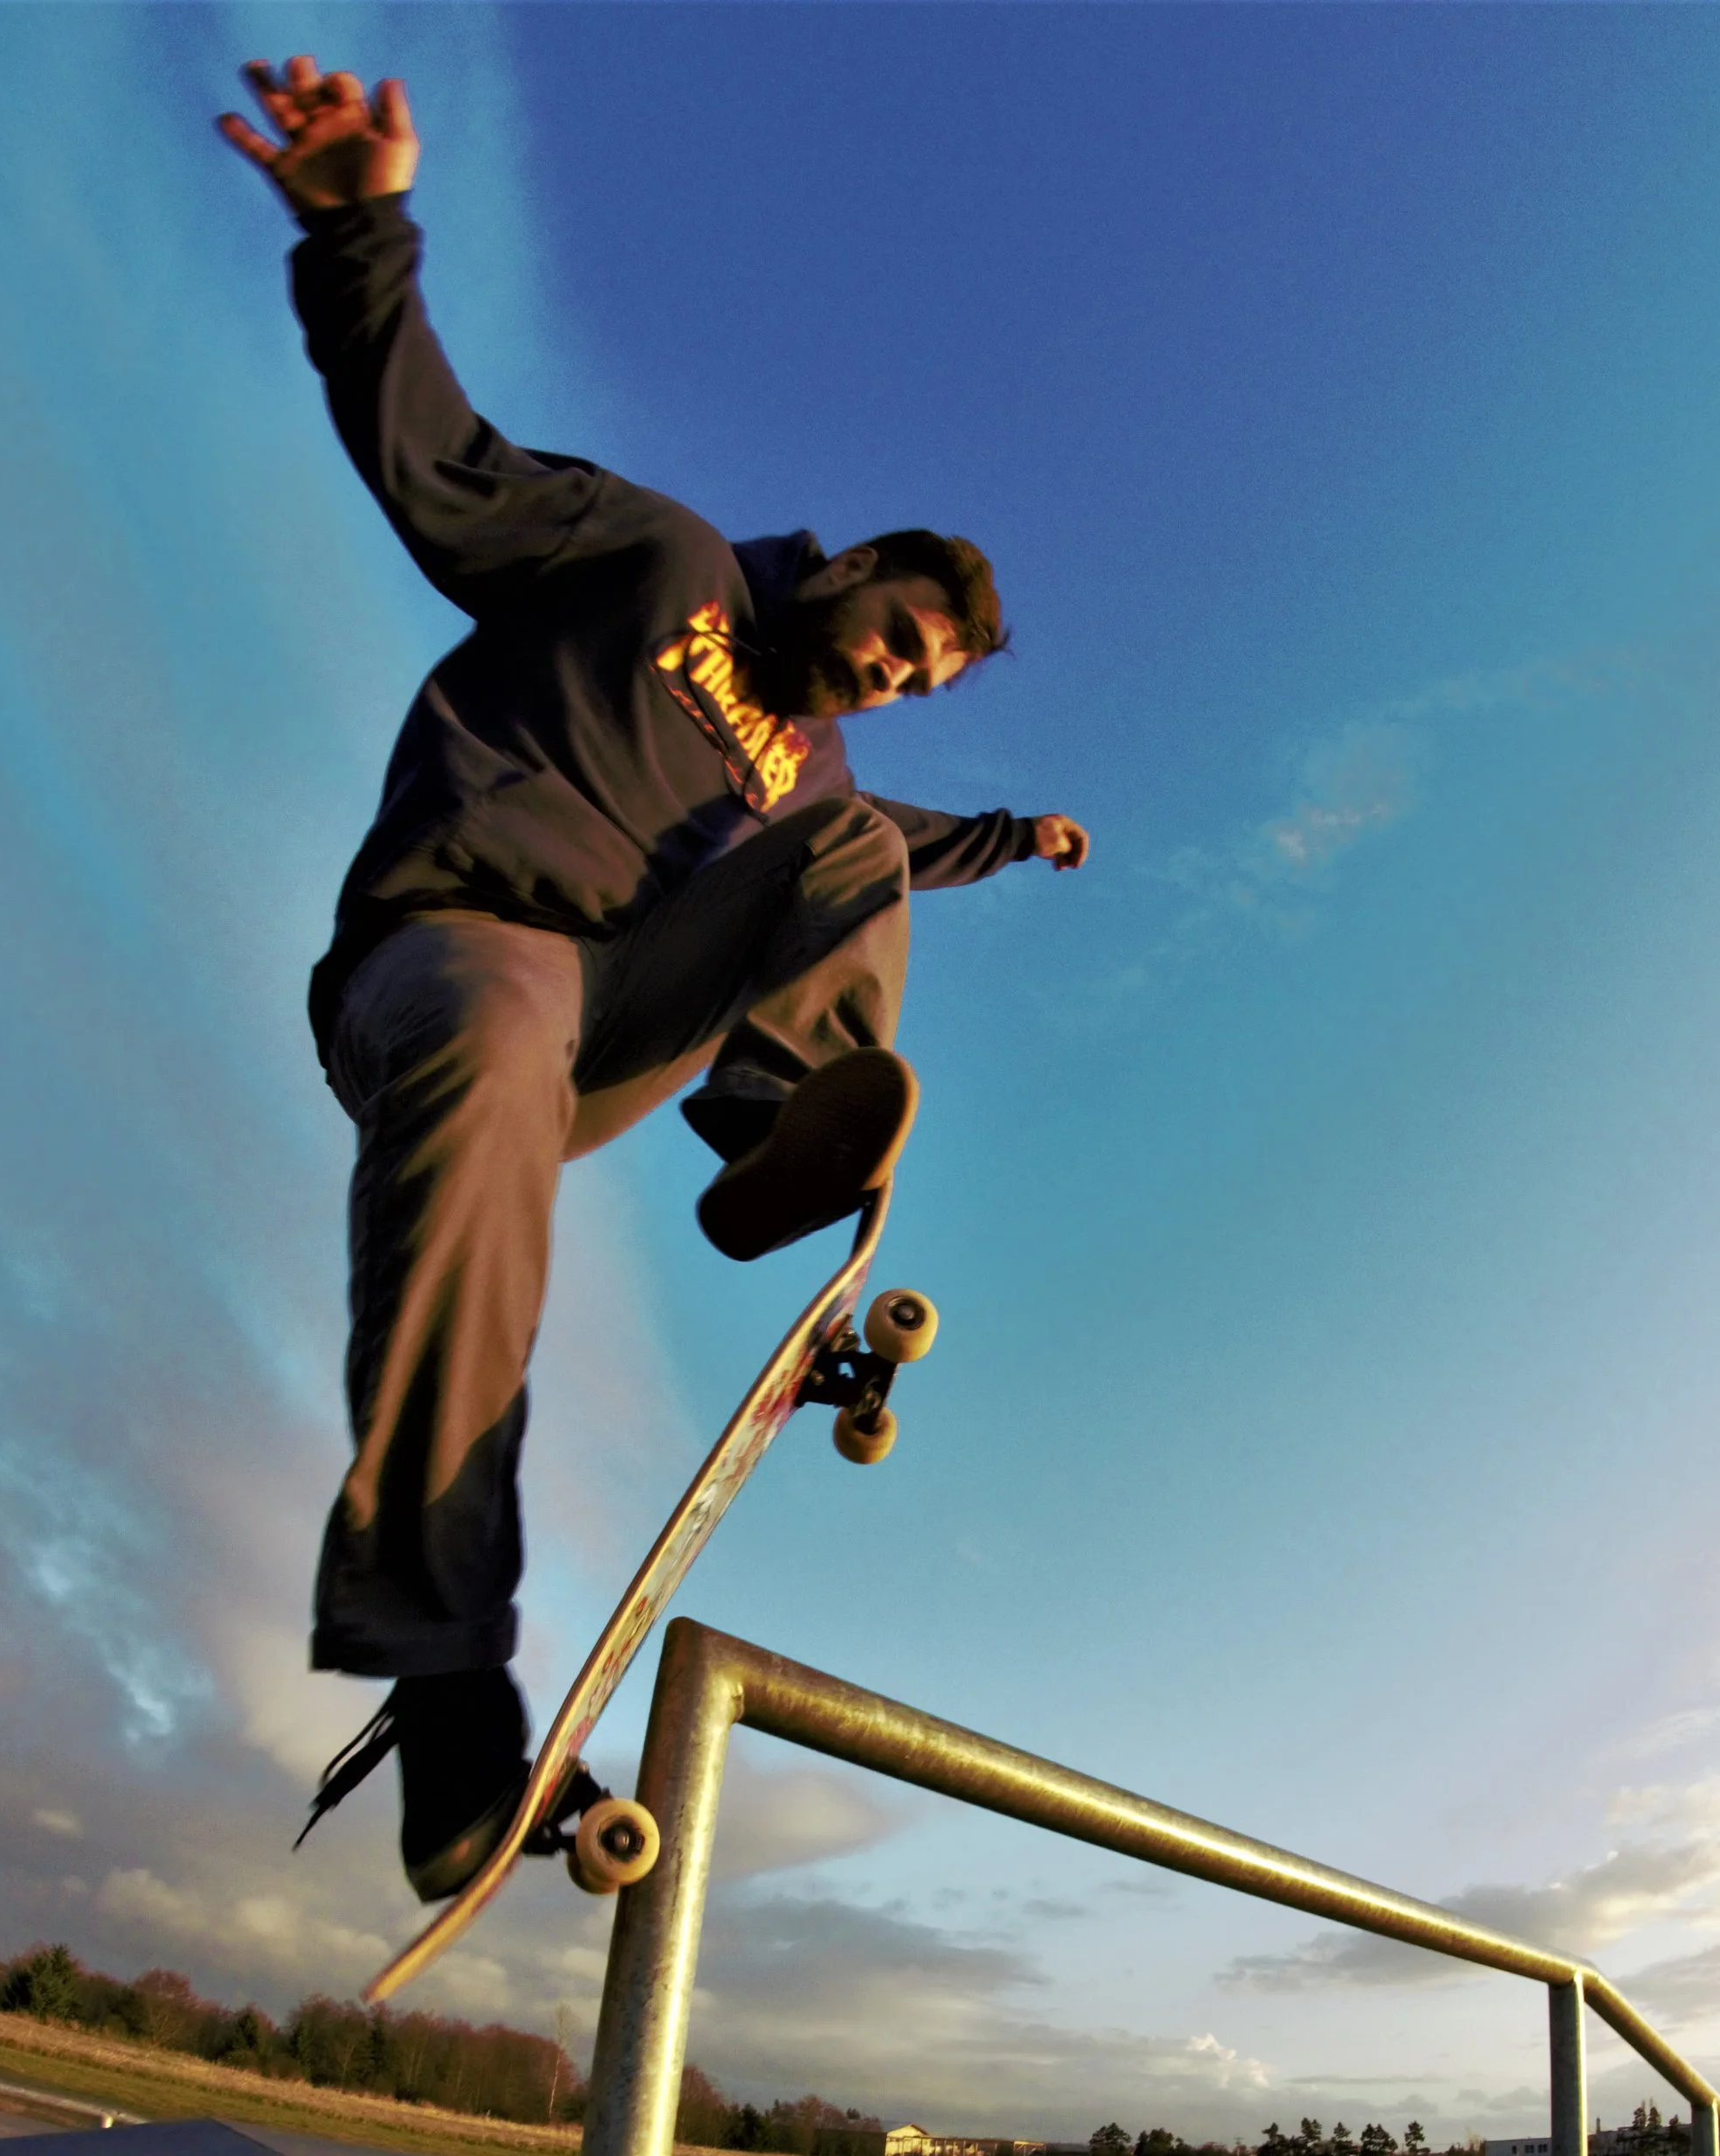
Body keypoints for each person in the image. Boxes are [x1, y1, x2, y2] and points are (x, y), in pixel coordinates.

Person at [217, 58, 1090, 1899]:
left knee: (845, 842)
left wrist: (1012, 834)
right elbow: (440, 468)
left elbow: (895, 842)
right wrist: (357, 234)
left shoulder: (827, 772)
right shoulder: (660, 556)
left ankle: (767, 1114)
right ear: (849, 563)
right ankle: (448, 1684)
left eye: (926, 679)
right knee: (502, 1063)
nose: (892, 673)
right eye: (901, 635)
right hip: (446, 956)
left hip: (627, 1029)